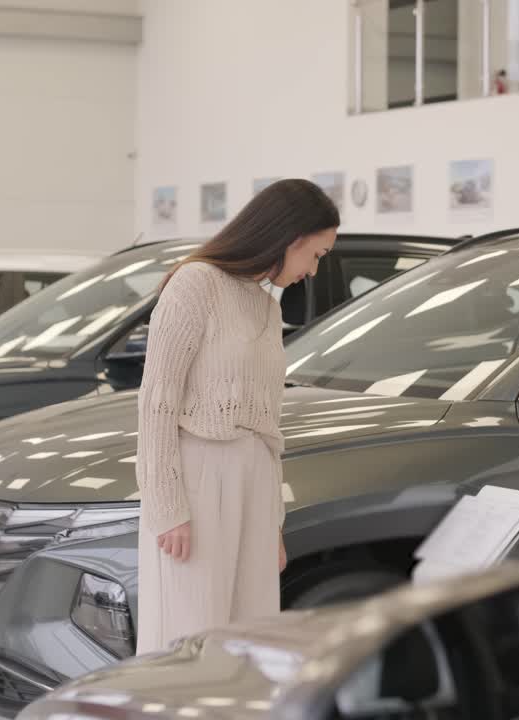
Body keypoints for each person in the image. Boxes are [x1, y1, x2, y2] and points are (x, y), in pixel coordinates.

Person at [135, 178, 340, 655]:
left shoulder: (267, 305)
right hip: (198, 481)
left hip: (255, 483)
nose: (313, 270)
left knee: (249, 637)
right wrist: (167, 507)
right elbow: (157, 401)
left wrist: (274, 522)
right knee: (188, 635)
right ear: (291, 239)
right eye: (317, 255)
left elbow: (271, 427)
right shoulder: (195, 283)